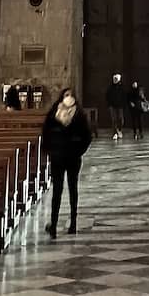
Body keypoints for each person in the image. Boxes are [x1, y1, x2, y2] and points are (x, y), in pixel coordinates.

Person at [41, 87, 92, 238]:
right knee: (57, 191)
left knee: (72, 189)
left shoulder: (79, 114)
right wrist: (50, 150)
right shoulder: (54, 113)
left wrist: (78, 151)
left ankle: (73, 223)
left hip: (72, 157)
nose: (68, 98)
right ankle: (54, 225)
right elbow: (46, 132)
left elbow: (87, 136)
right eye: (66, 95)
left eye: (70, 96)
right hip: (58, 157)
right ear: (61, 97)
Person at [105, 73, 126, 139]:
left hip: (120, 106)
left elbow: (124, 96)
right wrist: (109, 104)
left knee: (120, 119)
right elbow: (107, 96)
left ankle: (119, 130)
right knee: (114, 120)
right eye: (114, 79)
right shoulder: (110, 88)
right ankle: (115, 133)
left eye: (116, 79)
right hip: (112, 106)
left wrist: (123, 104)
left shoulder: (122, 87)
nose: (115, 80)